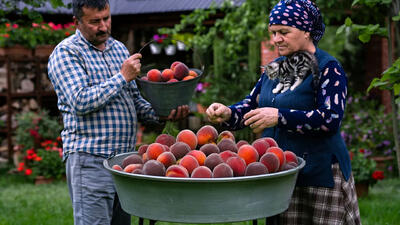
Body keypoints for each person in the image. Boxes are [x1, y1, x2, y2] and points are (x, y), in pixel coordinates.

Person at [206, 0, 361, 224]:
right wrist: (228, 113)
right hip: (279, 174)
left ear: (307, 30)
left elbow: (330, 119)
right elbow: (252, 104)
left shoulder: (328, 68)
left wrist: (279, 116)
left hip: (319, 174)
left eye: (284, 32)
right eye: (273, 32)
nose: (276, 39)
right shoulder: (274, 68)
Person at [47, 0, 189, 224]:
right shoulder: (66, 53)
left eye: (106, 18)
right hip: (90, 160)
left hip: (124, 162)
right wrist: (121, 77)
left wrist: (162, 114)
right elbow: (80, 101)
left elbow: (135, 101)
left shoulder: (119, 49)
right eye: (95, 22)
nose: (103, 26)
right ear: (77, 22)